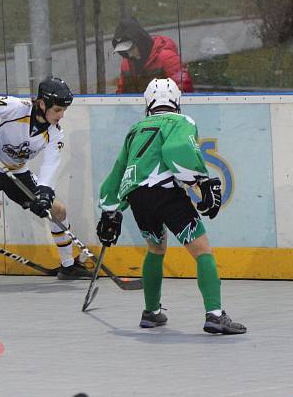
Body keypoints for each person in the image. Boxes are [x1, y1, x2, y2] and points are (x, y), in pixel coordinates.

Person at [96, 78, 246, 334]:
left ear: (148, 103)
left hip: (138, 198)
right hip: (165, 194)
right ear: (176, 102)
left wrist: (109, 209)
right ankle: (215, 315)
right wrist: (201, 179)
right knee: (202, 251)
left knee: (155, 248)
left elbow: (119, 170)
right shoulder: (181, 121)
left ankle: (151, 312)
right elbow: (176, 148)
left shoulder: (135, 129)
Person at [0, 76, 92, 293]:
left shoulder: (55, 133)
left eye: (63, 110)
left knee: (57, 209)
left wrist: (44, 192)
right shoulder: (16, 108)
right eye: (57, 110)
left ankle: (68, 267)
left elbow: (50, 166)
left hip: (18, 172)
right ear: (42, 104)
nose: (61, 115)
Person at [112, 17, 193, 94]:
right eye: (125, 51)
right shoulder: (126, 64)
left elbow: (184, 90)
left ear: (140, 42)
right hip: (136, 108)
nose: (130, 54)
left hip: (164, 107)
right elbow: (121, 95)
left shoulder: (167, 58)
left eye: (132, 48)